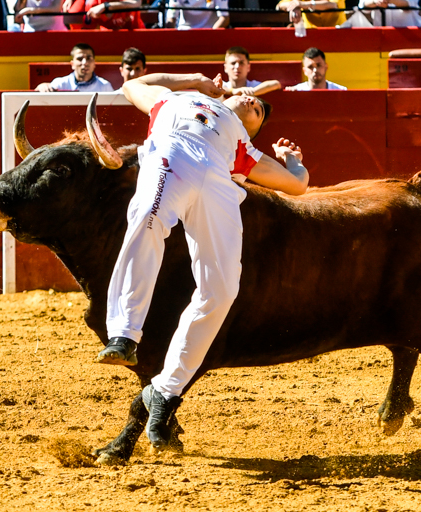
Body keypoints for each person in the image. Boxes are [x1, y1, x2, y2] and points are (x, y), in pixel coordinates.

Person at [97, 72, 309, 451]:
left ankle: (164, 391)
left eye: (258, 109)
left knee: (222, 288)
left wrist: (293, 159)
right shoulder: (175, 100)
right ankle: (125, 333)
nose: (251, 100)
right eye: (251, 98)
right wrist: (191, 79)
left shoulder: (243, 149)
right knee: (149, 216)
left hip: (219, 178)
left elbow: (298, 185)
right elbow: (131, 86)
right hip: (172, 149)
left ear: (252, 128)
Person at [35, 43, 113, 92]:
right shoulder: (61, 84)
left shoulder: (105, 86)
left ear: (94, 64)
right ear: (72, 64)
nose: (84, 63)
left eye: (89, 58)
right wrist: (42, 86)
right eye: (79, 59)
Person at [62, 0, 145, 30]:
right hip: (109, 41)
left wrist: (105, 6)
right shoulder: (93, 5)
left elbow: (136, 3)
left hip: (136, 35)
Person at [276, 0, 346, 28]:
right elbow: (280, 5)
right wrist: (295, 7)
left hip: (338, 35)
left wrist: (303, 4)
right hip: (311, 35)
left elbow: (332, 4)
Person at [165, 0, 230, 29]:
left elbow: (224, 18)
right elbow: (171, 18)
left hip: (210, 34)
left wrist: (211, 35)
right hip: (184, 33)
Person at [357, 0, 421, 26]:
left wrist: (390, 0)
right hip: (382, 35)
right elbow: (362, 6)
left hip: (410, 35)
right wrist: (375, 1)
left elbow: (410, 5)